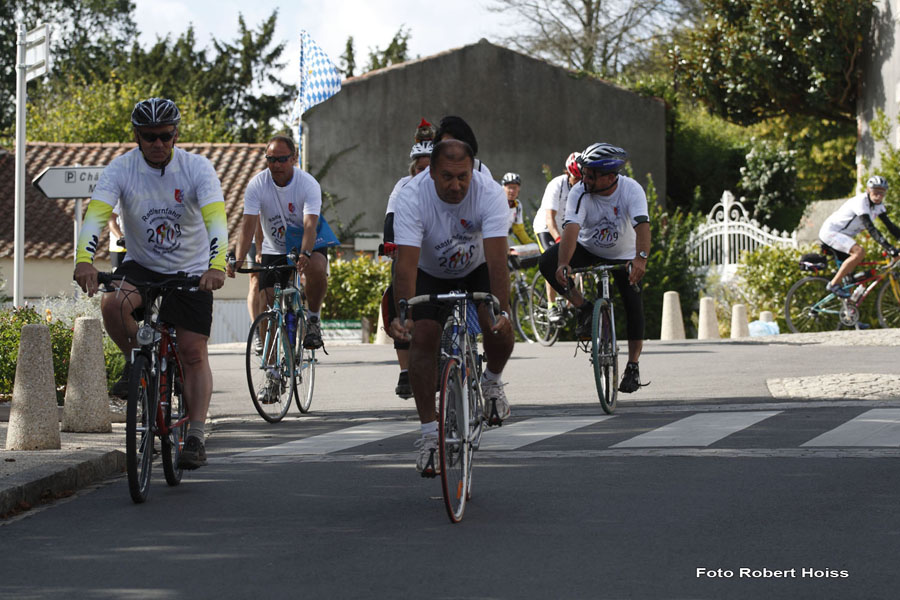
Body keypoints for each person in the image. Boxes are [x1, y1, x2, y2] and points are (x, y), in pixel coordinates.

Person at [73, 97, 228, 470]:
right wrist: (83, 260)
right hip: (141, 265)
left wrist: (217, 265)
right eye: (148, 137)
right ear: (137, 136)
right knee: (112, 303)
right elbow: (96, 215)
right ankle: (135, 363)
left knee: (192, 352)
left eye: (165, 136)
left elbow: (216, 220)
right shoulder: (121, 169)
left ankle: (195, 434)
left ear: (176, 135)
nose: (158, 144)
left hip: (190, 271)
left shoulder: (197, 169)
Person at [389, 139, 514, 476]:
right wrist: (405, 314)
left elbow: (498, 260)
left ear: (472, 170)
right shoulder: (411, 195)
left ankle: (492, 381)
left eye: (463, 176)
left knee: (498, 322)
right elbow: (405, 265)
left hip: (476, 267)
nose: (456, 185)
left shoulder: (488, 192)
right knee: (424, 338)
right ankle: (430, 436)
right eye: (447, 177)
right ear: (430, 172)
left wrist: (500, 310)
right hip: (429, 272)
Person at [537, 142, 650, 394]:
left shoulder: (631, 190)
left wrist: (640, 259)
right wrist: (564, 264)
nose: (584, 179)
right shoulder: (580, 191)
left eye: (591, 175)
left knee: (633, 303)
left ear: (611, 177)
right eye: (584, 173)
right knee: (546, 262)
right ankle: (585, 308)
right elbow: (571, 230)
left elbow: (642, 227)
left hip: (624, 254)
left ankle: (633, 365)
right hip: (588, 248)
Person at [226, 134, 328, 350]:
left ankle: (313, 319)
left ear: (294, 159)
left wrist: (305, 254)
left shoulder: (308, 184)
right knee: (267, 301)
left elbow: (310, 225)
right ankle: (271, 370)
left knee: (318, 268)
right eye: (271, 159)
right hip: (275, 246)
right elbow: (248, 225)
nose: (276, 165)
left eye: (282, 159)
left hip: (307, 241)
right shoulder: (257, 184)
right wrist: (238, 258)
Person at [383, 136, 434, 398]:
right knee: (397, 298)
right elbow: (391, 217)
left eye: (429, 167)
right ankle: (405, 370)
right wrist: (389, 244)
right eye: (419, 168)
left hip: (440, 254)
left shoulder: (446, 186)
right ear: (412, 170)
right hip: (411, 252)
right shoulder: (403, 187)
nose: (423, 173)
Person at [818, 175, 900, 297]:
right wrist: (889, 248)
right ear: (868, 190)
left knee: (850, 281)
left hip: (843, 236)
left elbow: (890, 227)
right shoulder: (861, 202)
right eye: (875, 191)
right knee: (859, 252)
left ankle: (848, 312)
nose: (878, 196)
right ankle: (833, 284)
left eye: (882, 193)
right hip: (831, 232)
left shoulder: (879, 206)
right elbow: (871, 228)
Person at [533, 153, 582, 321]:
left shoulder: (584, 188)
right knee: (552, 259)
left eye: (581, 178)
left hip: (567, 228)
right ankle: (551, 305)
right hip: (546, 227)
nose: (578, 182)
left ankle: (569, 301)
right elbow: (550, 218)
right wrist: (559, 241)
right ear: (568, 173)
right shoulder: (557, 185)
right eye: (575, 178)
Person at [500, 172, 535, 246]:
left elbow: (519, 230)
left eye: (515, 188)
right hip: (492, 238)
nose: (512, 191)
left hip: (507, 238)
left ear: (519, 189)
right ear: (503, 188)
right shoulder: (496, 203)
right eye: (509, 187)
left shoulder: (518, 206)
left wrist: (531, 244)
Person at [108, 202, 126, 268]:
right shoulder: (118, 196)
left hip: (137, 249)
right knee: (118, 277)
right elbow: (111, 219)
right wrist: (121, 238)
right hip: (120, 249)